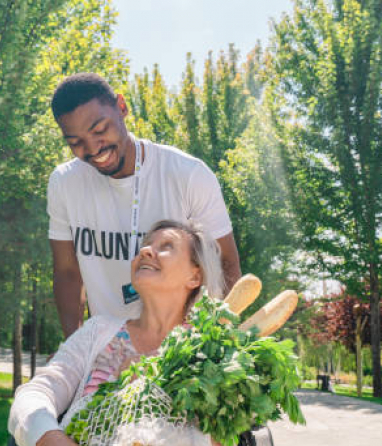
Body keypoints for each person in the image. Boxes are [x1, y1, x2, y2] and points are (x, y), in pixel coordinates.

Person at [0, 221, 255, 446]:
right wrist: (45, 437)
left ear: (195, 275)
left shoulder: (218, 348)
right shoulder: (98, 332)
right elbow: (36, 392)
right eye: (145, 246)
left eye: (166, 246)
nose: (146, 250)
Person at [47, 73, 241, 338]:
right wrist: (74, 344)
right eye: (76, 143)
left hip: (177, 352)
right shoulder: (64, 183)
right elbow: (67, 272)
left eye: (100, 130)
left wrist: (212, 346)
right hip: (105, 349)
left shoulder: (188, 175)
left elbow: (226, 264)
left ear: (122, 107)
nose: (93, 149)